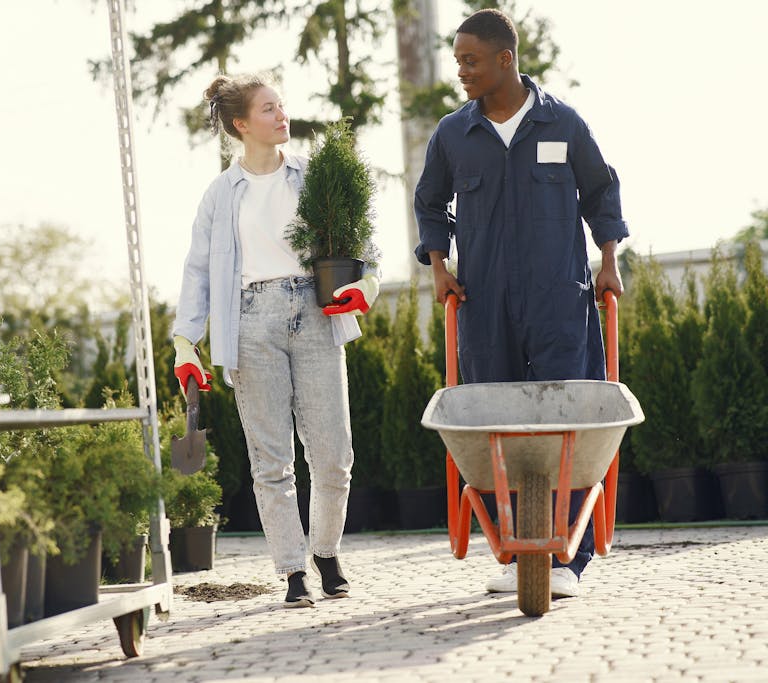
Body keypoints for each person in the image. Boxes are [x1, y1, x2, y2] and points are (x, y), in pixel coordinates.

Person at [413, 9, 627, 598]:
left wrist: (609, 262)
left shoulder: (563, 123)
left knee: (571, 423)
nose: (461, 70)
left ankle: (567, 558)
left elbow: (601, 191)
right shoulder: (454, 134)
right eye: (457, 60)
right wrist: (439, 268)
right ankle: (512, 553)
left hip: (559, 297)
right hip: (484, 302)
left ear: (505, 59)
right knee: (495, 425)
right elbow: (429, 205)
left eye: (470, 60)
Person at [172, 73, 380, 608]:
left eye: (281, 106)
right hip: (250, 321)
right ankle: (293, 571)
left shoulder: (312, 176)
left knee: (334, 453)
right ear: (242, 124)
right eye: (269, 109)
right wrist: (184, 342)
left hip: (313, 312)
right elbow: (197, 271)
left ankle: (327, 551)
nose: (282, 116)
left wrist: (368, 285)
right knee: (272, 459)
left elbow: (359, 244)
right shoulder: (220, 195)